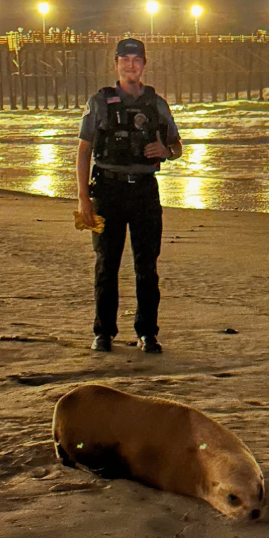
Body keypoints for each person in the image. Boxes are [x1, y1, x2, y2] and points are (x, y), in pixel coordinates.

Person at [76, 38, 182, 353]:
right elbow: (84, 151)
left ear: (144, 64)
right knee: (106, 263)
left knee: (146, 266)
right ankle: (103, 333)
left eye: (136, 60)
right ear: (116, 64)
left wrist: (165, 151)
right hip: (106, 191)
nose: (131, 65)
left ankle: (147, 333)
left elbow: (177, 147)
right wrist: (83, 199)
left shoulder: (157, 105)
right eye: (125, 60)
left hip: (145, 192)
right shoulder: (99, 103)